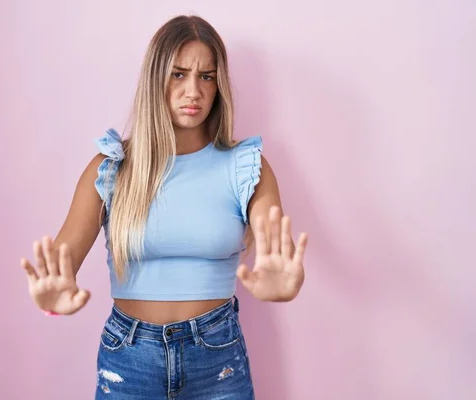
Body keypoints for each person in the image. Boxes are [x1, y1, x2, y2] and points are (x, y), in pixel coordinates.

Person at [20, 14, 308, 399]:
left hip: (218, 360)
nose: (194, 91)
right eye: (178, 74)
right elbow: (63, 258)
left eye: (206, 76)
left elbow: (273, 242)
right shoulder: (112, 166)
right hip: (129, 359)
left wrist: (281, 282)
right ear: (156, 78)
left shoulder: (245, 166)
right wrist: (52, 293)